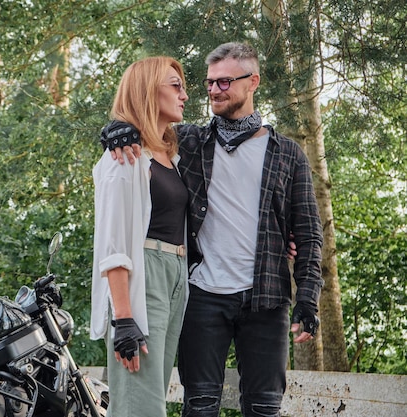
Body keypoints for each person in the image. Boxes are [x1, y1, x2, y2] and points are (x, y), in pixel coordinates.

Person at [101, 42, 323, 417]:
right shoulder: (189, 141)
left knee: (265, 407)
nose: (213, 91)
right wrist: (116, 130)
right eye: (209, 84)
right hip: (200, 294)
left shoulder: (287, 154)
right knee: (200, 404)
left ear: (253, 82)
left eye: (224, 82)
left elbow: (308, 233)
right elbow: (144, 129)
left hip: (266, 296)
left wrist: (308, 298)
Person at [90, 56, 190, 417]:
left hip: (175, 276)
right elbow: (113, 245)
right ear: (149, 91)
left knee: (151, 398)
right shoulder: (123, 158)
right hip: (142, 278)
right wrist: (124, 319)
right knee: (139, 406)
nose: (185, 95)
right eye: (175, 86)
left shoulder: (167, 155)